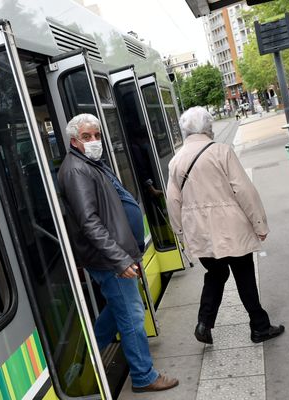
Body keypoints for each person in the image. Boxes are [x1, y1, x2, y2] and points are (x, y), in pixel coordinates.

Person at [58, 113, 178, 393]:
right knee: (132, 315)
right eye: (87, 137)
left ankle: (89, 357)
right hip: (111, 260)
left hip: (117, 255)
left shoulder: (91, 164)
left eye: (97, 135)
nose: (94, 141)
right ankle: (143, 376)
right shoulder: (76, 170)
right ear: (74, 141)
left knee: (116, 310)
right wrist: (120, 259)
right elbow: (89, 222)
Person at [166, 106, 284, 345]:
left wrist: (181, 233)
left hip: (200, 232)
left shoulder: (175, 161)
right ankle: (260, 327)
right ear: (208, 127)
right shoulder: (221, 151)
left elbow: (172, 200)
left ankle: (204, 324)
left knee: (215, 273)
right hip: (232, 228)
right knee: (244, 275)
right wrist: (259, 224)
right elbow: (244, 190)